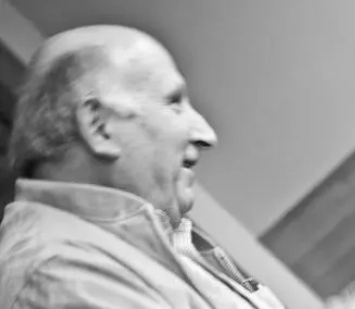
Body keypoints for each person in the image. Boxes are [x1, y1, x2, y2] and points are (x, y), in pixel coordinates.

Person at [0, 25, 285, 309]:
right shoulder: (60, 275)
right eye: (174, 102)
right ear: (98, 126)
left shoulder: (136, 245)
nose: (206, 134)